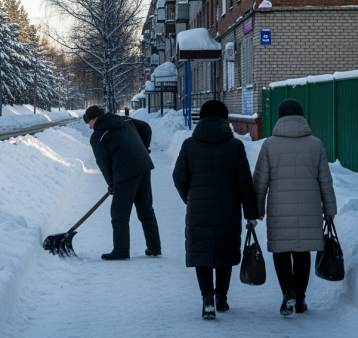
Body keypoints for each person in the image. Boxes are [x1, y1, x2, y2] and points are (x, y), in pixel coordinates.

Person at [172, 100, 259, 320]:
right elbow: (245, 183)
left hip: (198, 208)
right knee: (224, 253)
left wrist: (189, 198)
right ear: (225, 119)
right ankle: (221, 297)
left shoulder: (189, 145)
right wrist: (250, 213)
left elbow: (178, 177)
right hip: (228, 210)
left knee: (201, 253)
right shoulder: (235, 146)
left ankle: (207, 298)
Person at [253, 99, 337, 316]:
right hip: (309, 210)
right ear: (301, 116)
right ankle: (299, 299)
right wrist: (329, 209)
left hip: (279, 210)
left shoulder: (269, 144)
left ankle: (288, 292)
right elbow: (325, 180)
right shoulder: (315, 144)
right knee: (302, 254)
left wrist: (256, 210)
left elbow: (260, 181)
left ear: (280, 117)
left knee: (281, 252)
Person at [84, 105, 162, 261]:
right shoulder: (125, 120)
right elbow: (146, 128)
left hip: (125, 173)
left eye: (89, 123)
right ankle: (154, 248)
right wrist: (142, 149)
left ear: (94, 119)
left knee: (119, 214)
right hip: (143, 166)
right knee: (145, 210)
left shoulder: (98, 136)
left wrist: (112, 183)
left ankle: (121, 251)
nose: (89, 126)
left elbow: (104, 164)